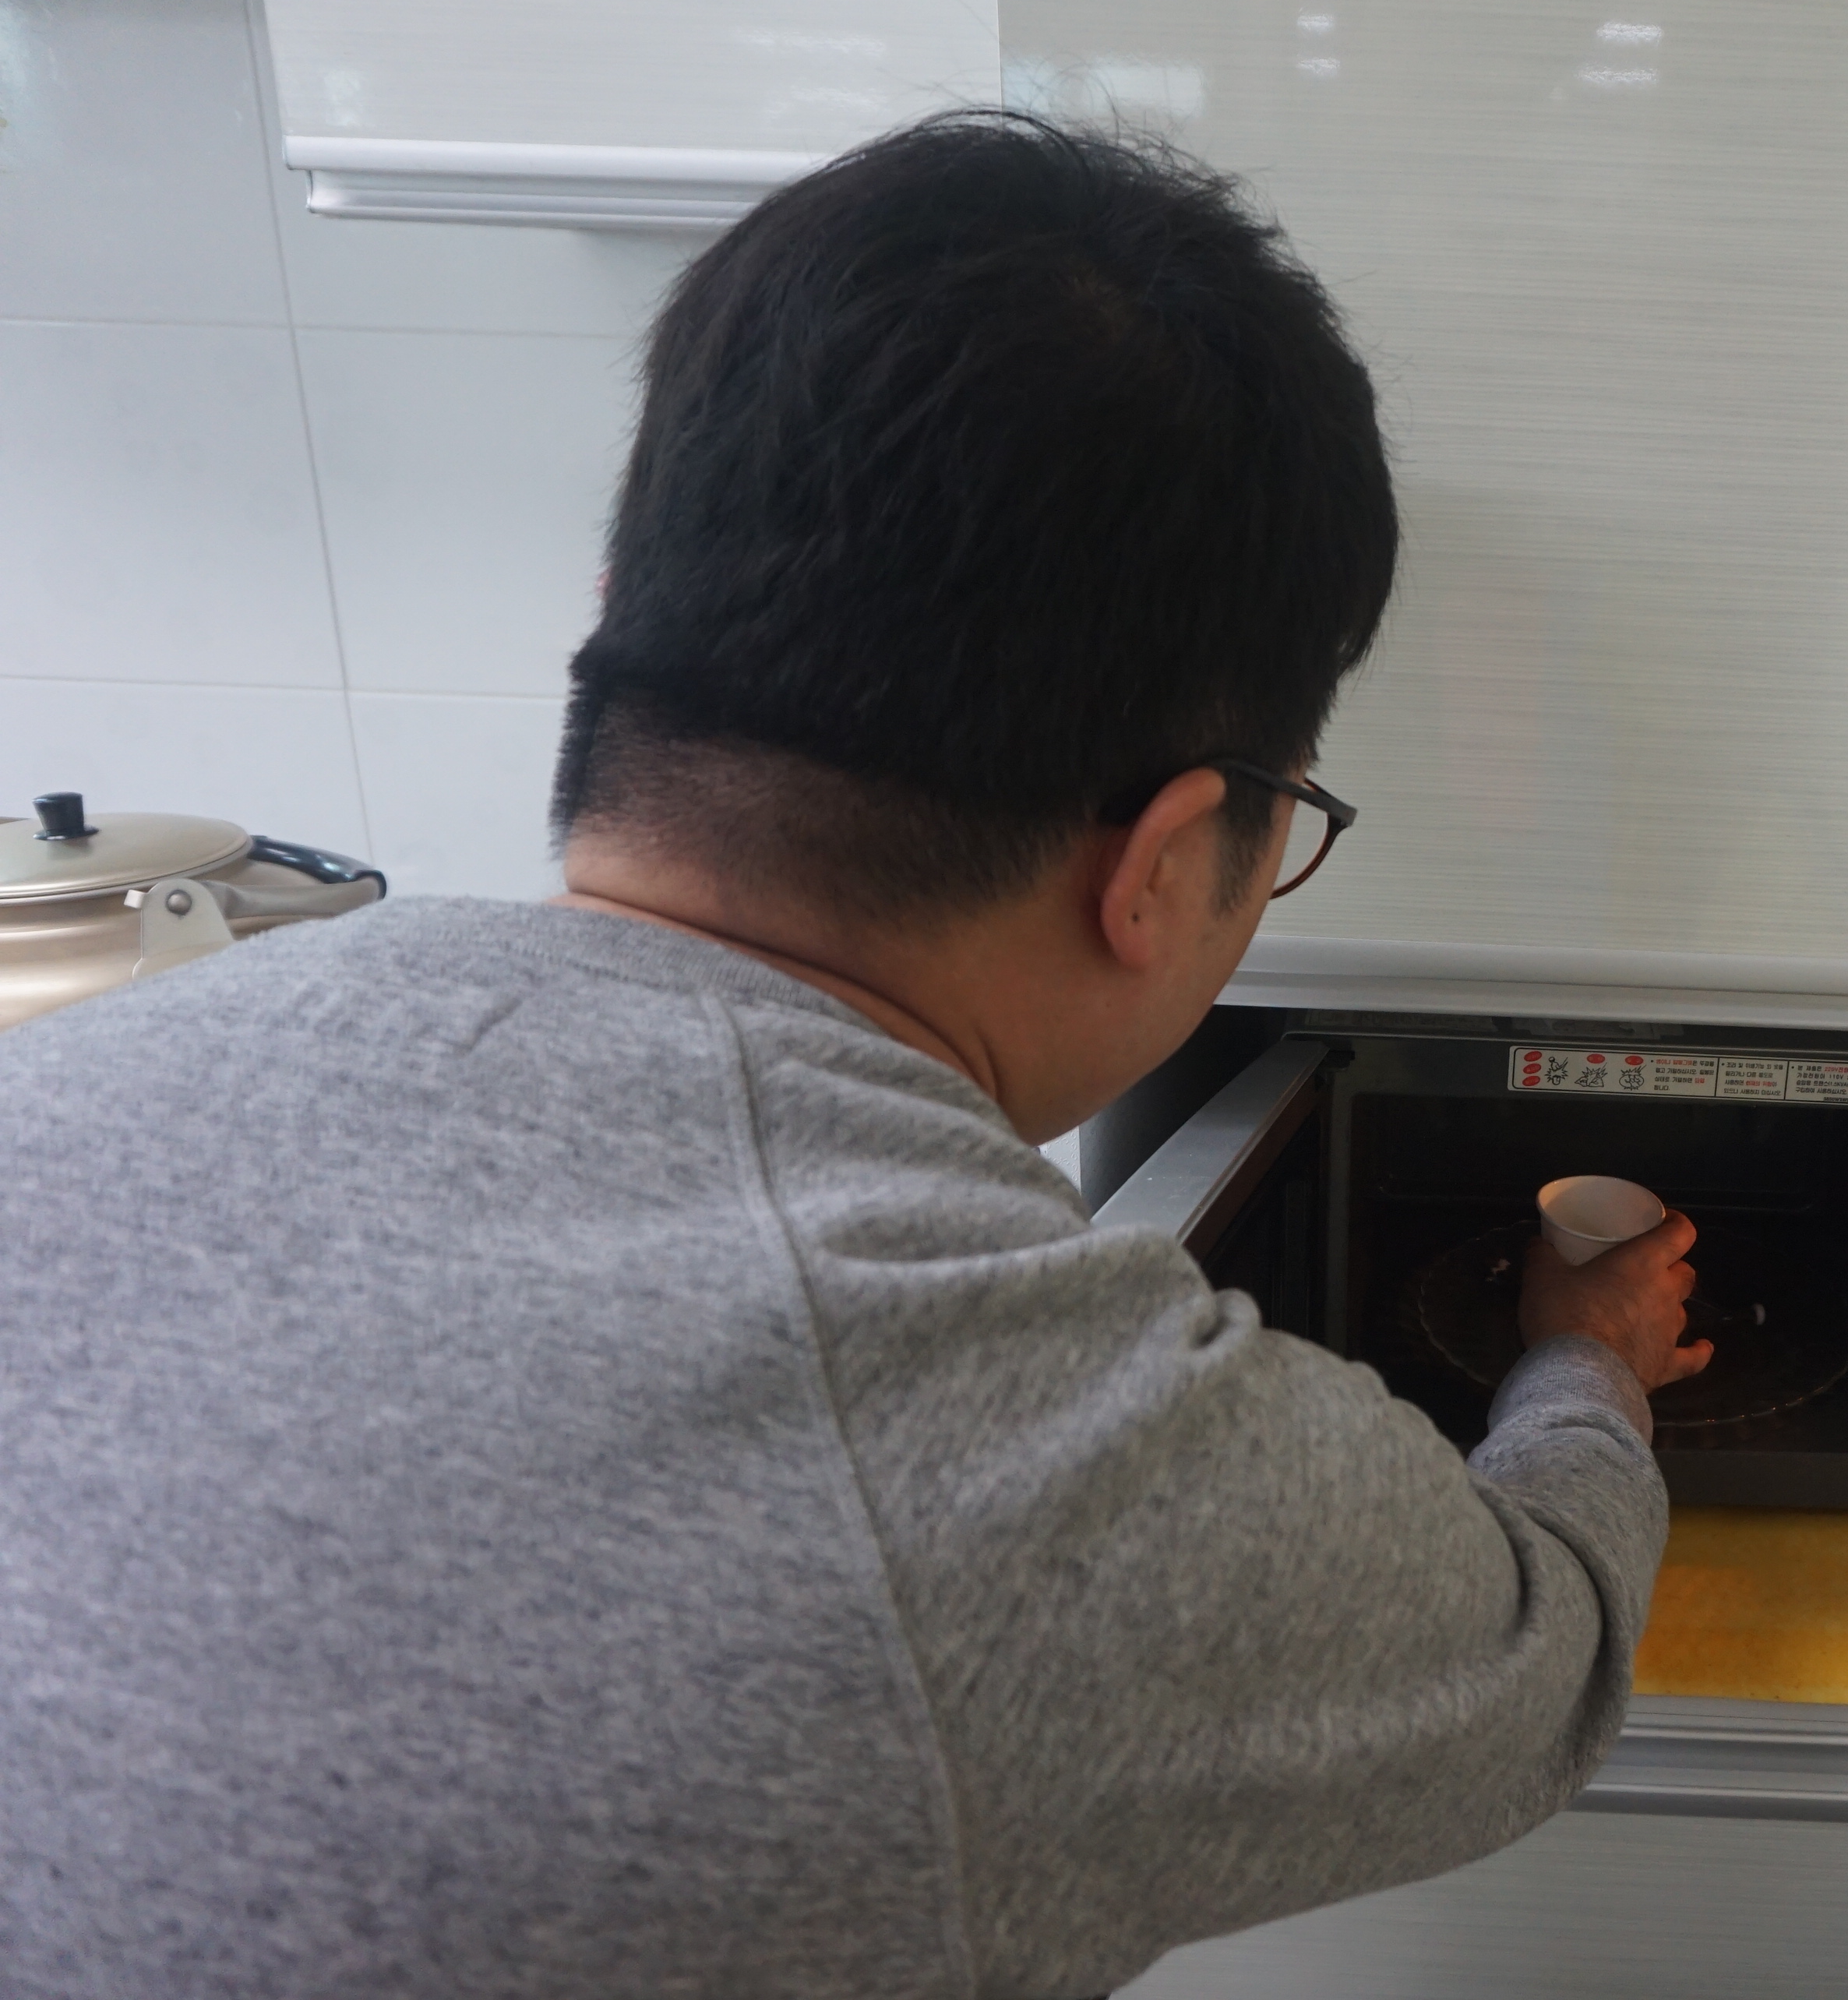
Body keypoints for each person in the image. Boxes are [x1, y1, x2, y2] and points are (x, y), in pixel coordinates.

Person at [0, 113, 1710, 1999]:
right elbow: (1553, 1641)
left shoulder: (63, 1085)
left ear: (616, 629)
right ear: (1163, 861)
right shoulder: (1052, 1465)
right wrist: (1584, 1355)